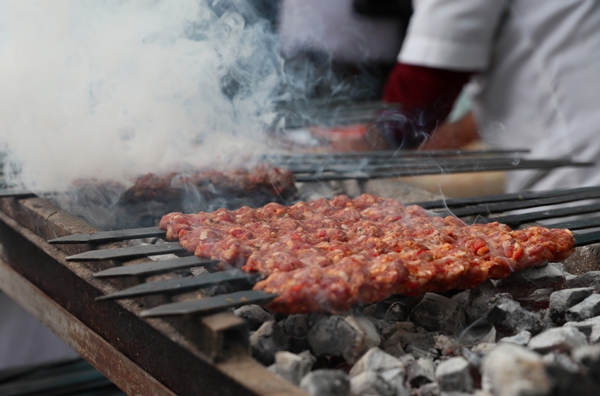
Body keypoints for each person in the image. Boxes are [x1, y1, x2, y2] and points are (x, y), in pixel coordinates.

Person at [373, 0, 600, 193]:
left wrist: (373, 140)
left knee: (560, 236)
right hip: (575, 126)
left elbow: (428, 76)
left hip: (574, 155)